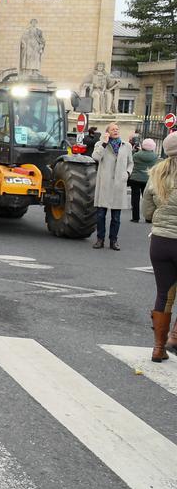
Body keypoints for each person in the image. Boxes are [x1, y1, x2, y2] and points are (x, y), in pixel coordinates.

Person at [141, 132, 177, 362]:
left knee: (164, 294)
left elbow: (147, 211)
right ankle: (175, 337)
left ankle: (158, 347)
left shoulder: (156, 174)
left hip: (160, 241)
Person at [92, 122, 133, 250]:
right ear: (107, 132)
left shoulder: (126, 146)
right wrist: (104, 143)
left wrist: (127, 173)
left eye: (117, 129)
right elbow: (95, 157)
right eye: (113, 129)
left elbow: (130, 163)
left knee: (116, 217)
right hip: (104, 183)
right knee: (100, 215)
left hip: (118, 184)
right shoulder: (100, 144)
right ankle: (100, 239)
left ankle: (113, 240)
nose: (116, 131)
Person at [130, 137, 158, 223]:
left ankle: (135, 217)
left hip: (135, 178)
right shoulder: (155, 156)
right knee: (148, 199)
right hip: (148, 179)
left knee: (135, 198)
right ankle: (148, 218)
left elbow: (131, 158)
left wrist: (135, 150)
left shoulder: (136, 155)